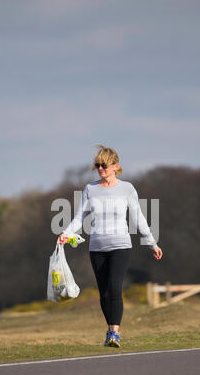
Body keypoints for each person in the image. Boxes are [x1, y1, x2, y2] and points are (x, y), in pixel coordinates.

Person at [58, 145, 163, 348]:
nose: (100, 168)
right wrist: (66, 233)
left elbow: (138, 218)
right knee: (104, 292)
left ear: (115, 166)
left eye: (104, 165)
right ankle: (109, 330)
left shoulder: (127, 189)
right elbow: (80, 217)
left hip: (121, 245)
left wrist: (152, 242)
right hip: (97, 247)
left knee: (115, 288)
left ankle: (115, 333)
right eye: (97, 165)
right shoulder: (91, 189)